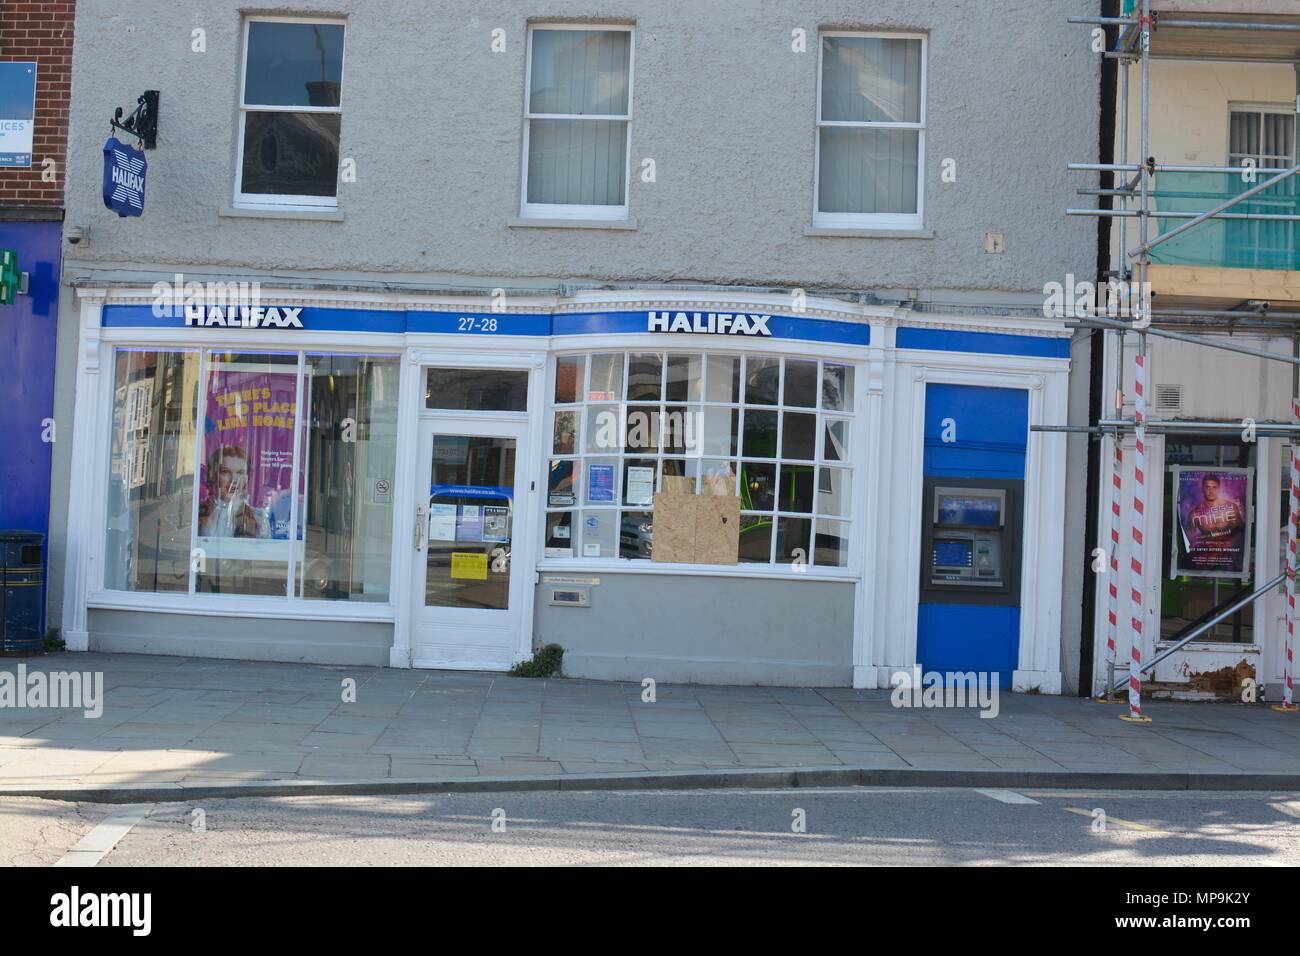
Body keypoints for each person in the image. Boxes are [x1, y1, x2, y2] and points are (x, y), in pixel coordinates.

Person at [199, 444, 266, 538]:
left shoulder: (258, 518)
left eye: (240, 473)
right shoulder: (199, 511)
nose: (234, 479)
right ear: (213, 475)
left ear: (248, 477)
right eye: (225, 471)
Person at [1186, 474, 1244, 550]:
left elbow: (1240, 534)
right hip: (1207, 556)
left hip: (1229, 555)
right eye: (1207, 487)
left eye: (1214, 487)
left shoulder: (1231, 508)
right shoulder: (1194, 514)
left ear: (1219, 489)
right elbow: (1189, 541)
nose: (1211, 491)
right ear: (1202, 489)